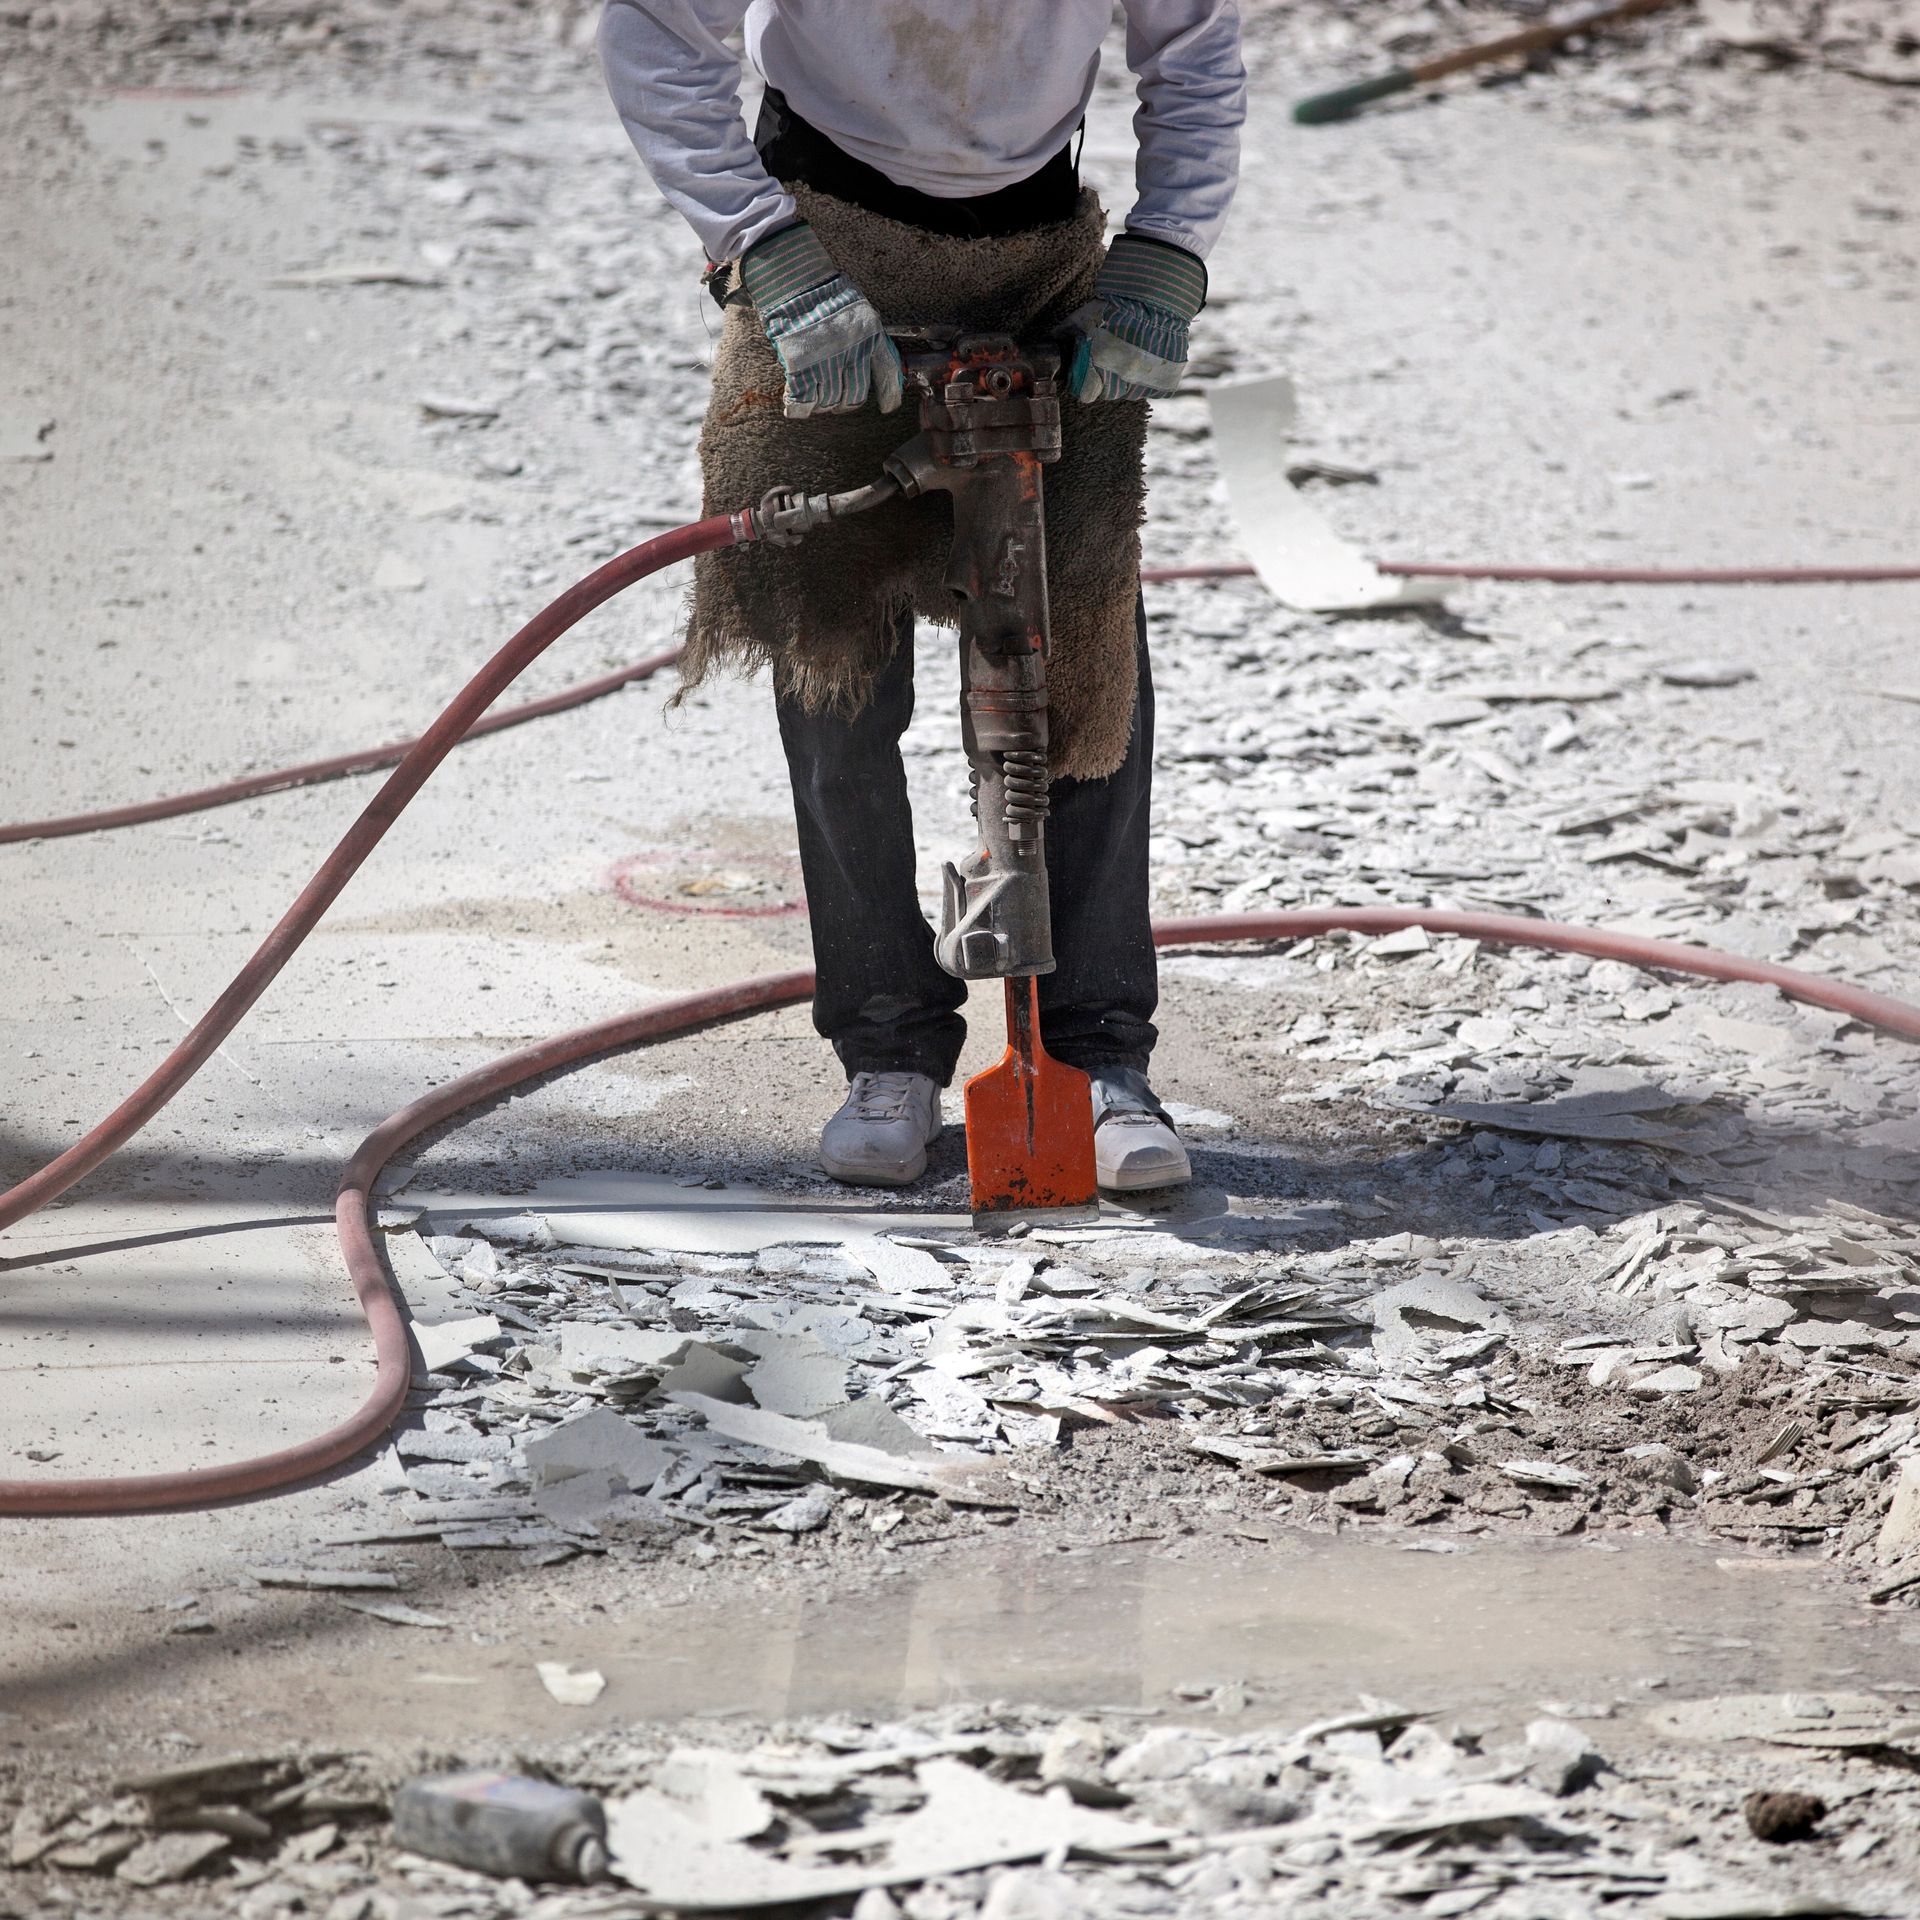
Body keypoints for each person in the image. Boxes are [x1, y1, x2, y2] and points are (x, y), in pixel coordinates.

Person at [599, 0, 1245, 1192]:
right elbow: (652, 33)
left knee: (1086, 669)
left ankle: (1098, 1052)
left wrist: (1168, 248)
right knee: (831, 665)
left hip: (1040, 259)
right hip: (822, 237)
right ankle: (886, 1046)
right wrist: (763, 248)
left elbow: (1193, 47)